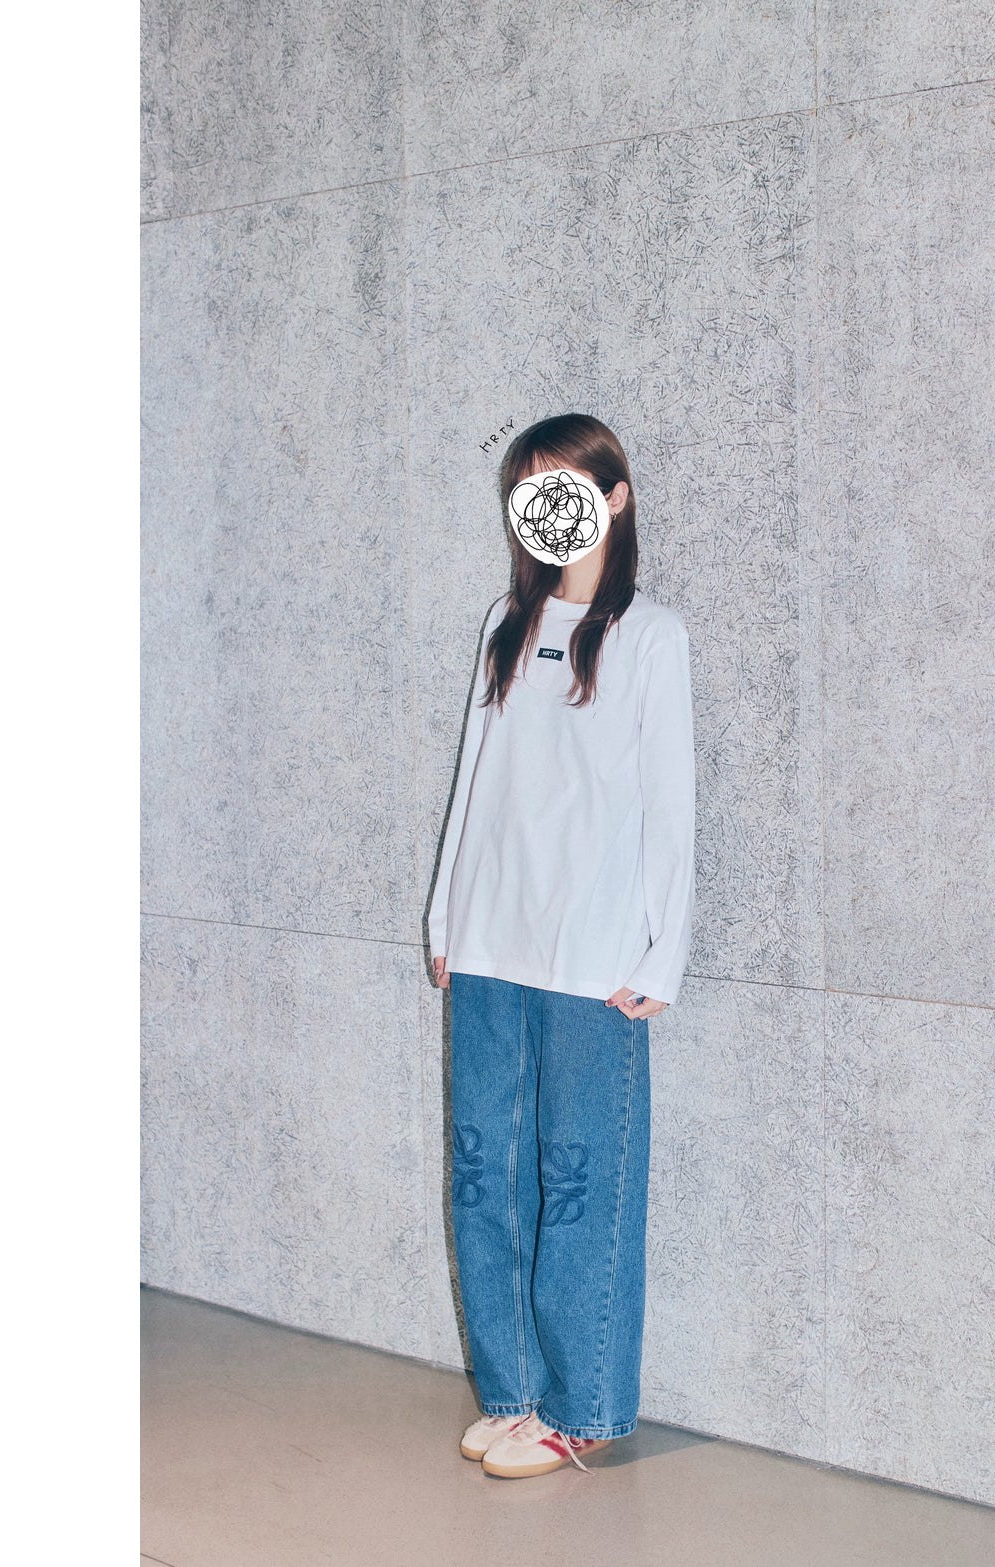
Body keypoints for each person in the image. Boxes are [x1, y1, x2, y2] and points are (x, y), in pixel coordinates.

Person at [427, 412, 697, 1478]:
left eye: (564, 485)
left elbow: (669, 806)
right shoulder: (506, 620)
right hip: (488, 943)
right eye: (528, 489)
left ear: (613, 496)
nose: (545, 507)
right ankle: (513, 1394)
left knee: (581, 1182)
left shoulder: (650, 637)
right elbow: (474, 779)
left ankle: (582, 1408)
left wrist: (661, 953)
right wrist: (445, 921)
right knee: (483, 1174)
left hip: (591, 956)